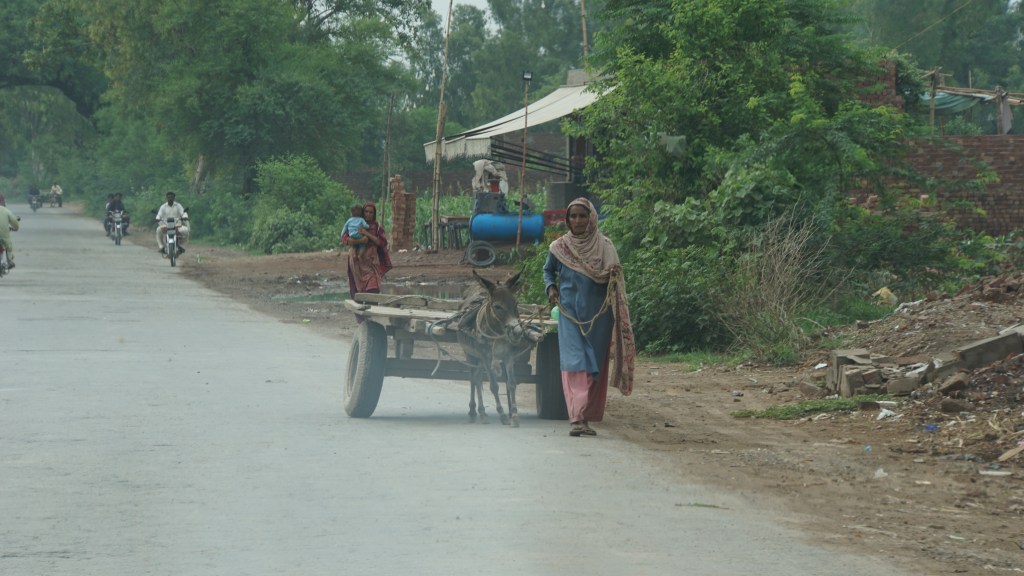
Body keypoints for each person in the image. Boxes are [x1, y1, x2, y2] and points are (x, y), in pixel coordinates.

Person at [543, 197, 636, 437]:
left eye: (582, 216)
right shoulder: (559, 248)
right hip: (569, 316)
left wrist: (612, 275)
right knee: (575, 363)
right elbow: (548, 271)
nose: (578, 221)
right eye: (573, 216)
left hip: (599, 317)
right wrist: (551, 288)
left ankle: (587, 416)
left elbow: (615, 276)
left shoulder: (605, 246)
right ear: (567, 220)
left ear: (591, 218)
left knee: (594, 366)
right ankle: (576, 418)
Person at [341, 201, 392, 323]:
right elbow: (345, 238)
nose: (368, 214)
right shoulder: (355, 223)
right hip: (357, 263)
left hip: (371, 263)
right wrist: (355, 241)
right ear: (362, 212)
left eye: (371, 212)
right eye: (366, 212)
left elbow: (381, 242)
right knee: (358, 291)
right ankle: (361, 322)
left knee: (373, 289)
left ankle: (371, 321)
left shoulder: (376, 227)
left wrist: (366, 234)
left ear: (374, 214)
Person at [0, 202, 20, 268]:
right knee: (8, 245)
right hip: (3, 235)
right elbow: (14, 221)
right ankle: (10, 261)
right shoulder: (6, 210)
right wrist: (16, 228)